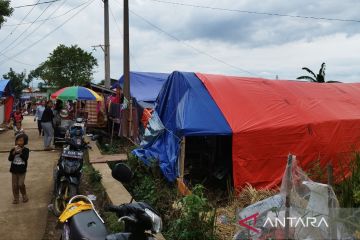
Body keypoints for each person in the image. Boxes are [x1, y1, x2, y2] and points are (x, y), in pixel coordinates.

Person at [8, 133, 29, 204]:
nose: (19, 142)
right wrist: (13, 153)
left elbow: (25, 158)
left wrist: (20, 153)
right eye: (18, 141)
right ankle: (16, 198)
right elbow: (10, 159)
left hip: (22, 171)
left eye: (21, 141)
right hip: (14, 170)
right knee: (14, 185)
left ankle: (24, 195)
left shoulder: (26, 150)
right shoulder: (13, 149)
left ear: (25, 142)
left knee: (20, 184)